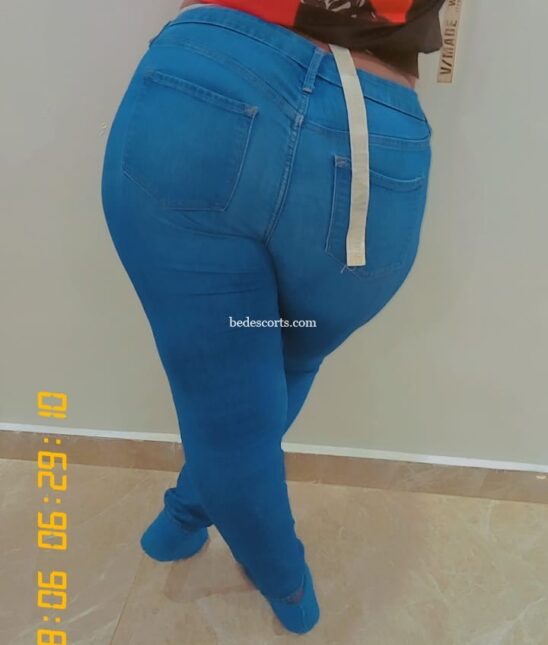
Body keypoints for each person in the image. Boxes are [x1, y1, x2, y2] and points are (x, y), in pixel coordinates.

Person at [100, 0, 444, 634]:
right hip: (372, 134)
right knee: (284, 363)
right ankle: (265, 570)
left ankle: (231, 548)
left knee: (233, 408)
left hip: (206, 84)